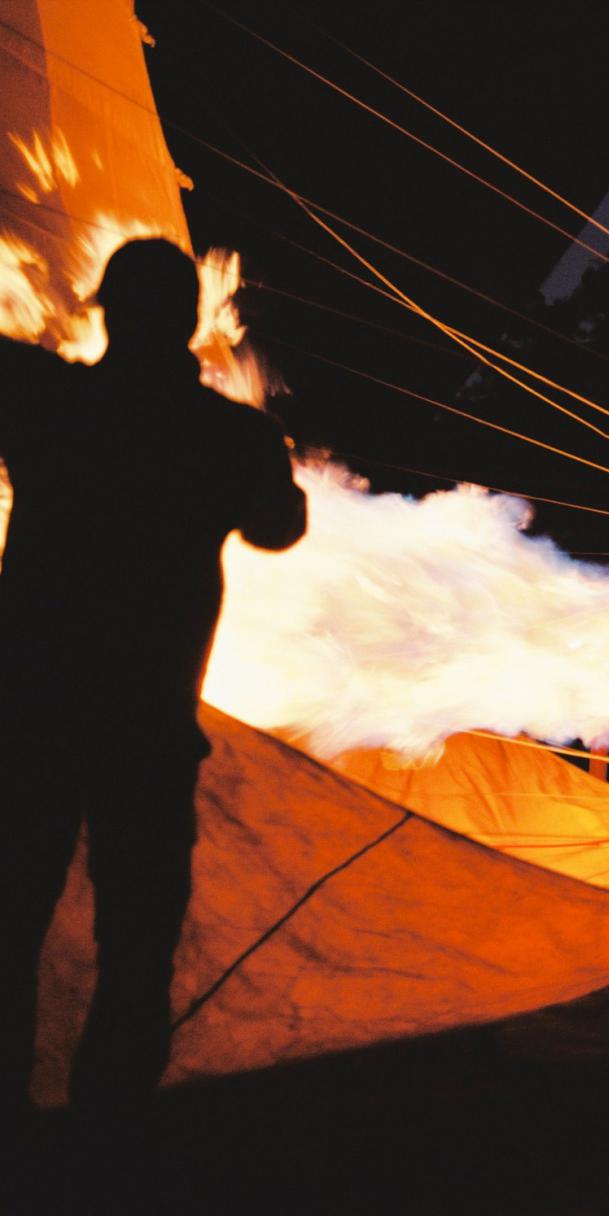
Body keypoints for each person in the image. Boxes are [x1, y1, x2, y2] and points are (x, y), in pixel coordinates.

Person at [0, 239, 306, 1151]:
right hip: (147, 726)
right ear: (191, 322)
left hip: (33, 715)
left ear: (105, 312)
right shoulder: (227, 436)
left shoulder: (41, 398)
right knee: (136, 945)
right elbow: (280, 527)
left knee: (9, 920)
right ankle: (107, 1136)